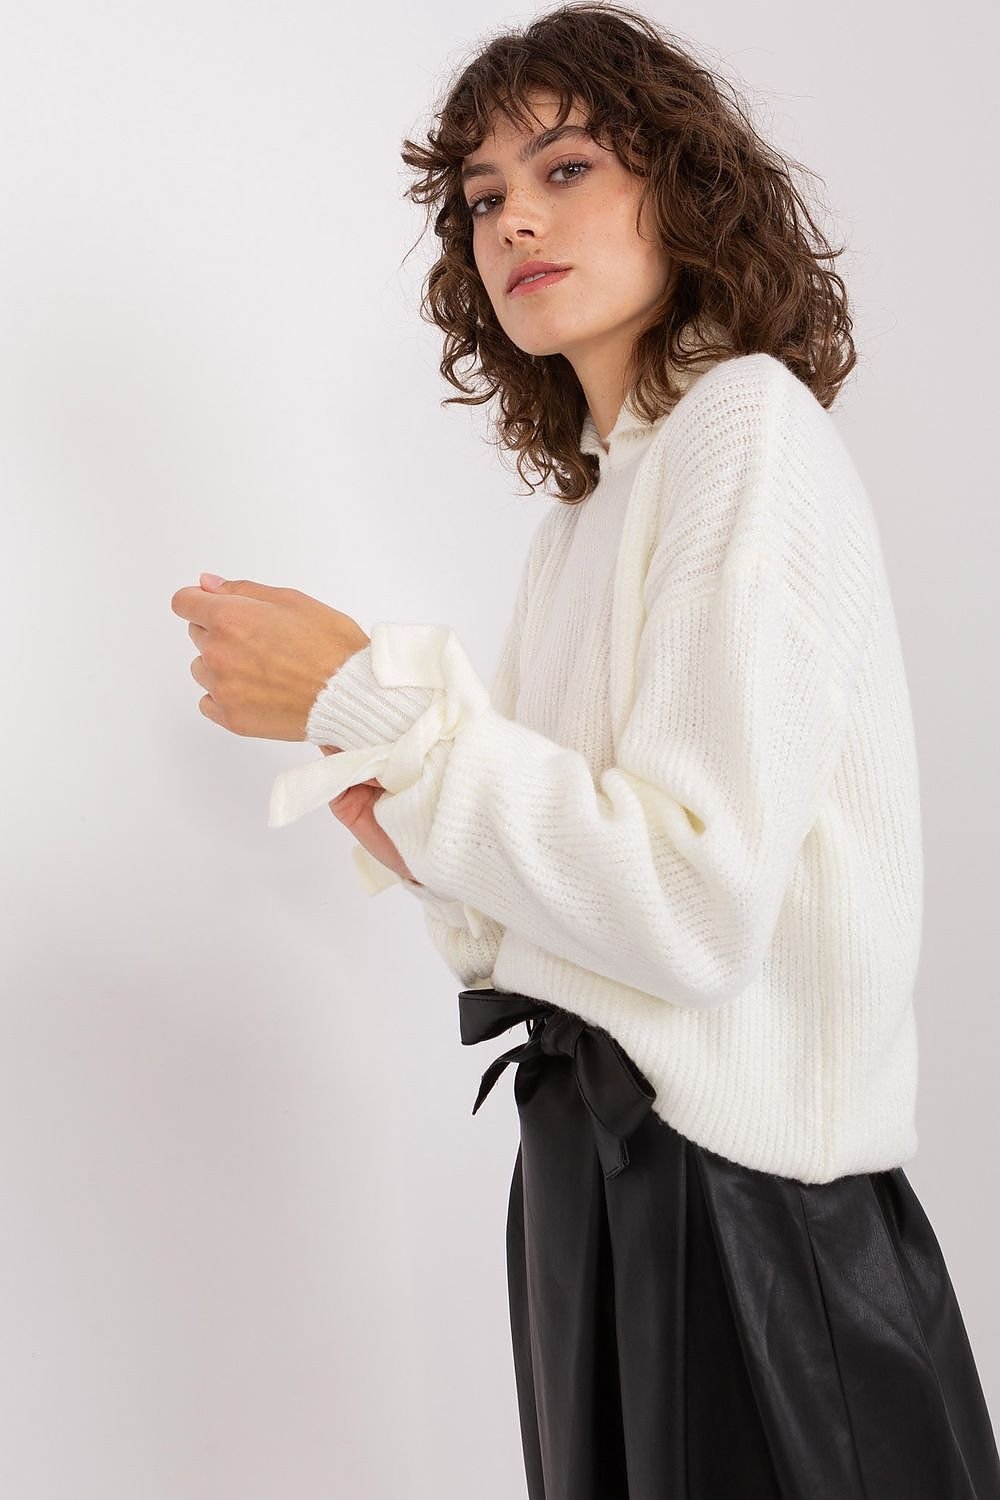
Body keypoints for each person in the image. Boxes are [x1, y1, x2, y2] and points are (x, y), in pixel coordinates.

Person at [176, 4, 1000, 1496]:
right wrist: (409, 815)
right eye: (485, 198)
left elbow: (688, 906)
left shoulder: (745, 429)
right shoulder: (587, 518)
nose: (514, 222)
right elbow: (549, 918)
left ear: (684, 186)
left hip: (748, 1213)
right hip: (600, 1186)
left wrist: (373, 698)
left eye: (563, 170)